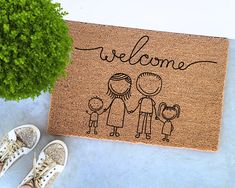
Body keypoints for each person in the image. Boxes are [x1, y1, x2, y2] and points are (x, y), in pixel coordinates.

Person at [131, 72, 162, 139]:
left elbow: (154, 107)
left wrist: (156, 115)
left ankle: (147, 133)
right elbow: (138, 105)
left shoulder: (151, 101)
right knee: (141, 122)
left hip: (149, 113)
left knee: (148, 123)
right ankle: (138, 132)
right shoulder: (142, 99)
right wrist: (133, 110)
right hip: (142, 112)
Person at [104, 73, 132, 137]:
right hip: (113, 107)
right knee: (112, 119)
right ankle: (113, 131)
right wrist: (107, 108)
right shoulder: (114, 100)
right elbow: (110, 104)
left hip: (121, 109)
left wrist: (128, 111)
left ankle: (116, 131)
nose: (119, 87)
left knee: (118, 120)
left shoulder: (122, 101)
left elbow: (125, 106)